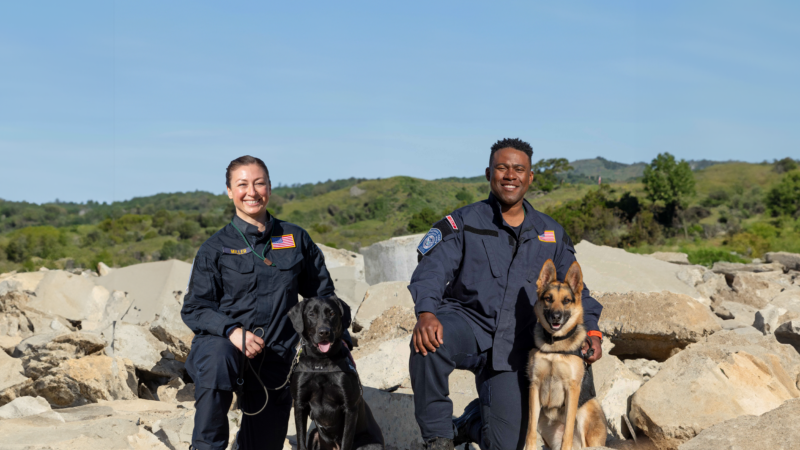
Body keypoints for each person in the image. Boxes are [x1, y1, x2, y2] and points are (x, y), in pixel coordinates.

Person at [407, 138, 604, 450]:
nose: (510, 175)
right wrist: (426, 313)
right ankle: (438, 438)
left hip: (516, 347)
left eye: (519, 169)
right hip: (466, 326)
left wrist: (591, 329)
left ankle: (471, 421)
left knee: (509, 445)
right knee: (429, 344)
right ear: (488, 173)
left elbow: (577, 291)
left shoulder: (550, 232)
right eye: (502, 168)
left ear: (530, 177)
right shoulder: (463, 222)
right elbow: (432, 270)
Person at [181, 155, 340, 450]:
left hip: (277, 356)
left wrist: (325, 341)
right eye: (242, 184)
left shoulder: (295, 239)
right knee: (218, 358)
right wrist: (232, 331)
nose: (251, 192)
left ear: (269, 186)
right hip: (224, 349)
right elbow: (195, 308)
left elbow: (323, 296)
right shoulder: (214, 248)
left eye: (259, 183)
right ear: (229, 191)